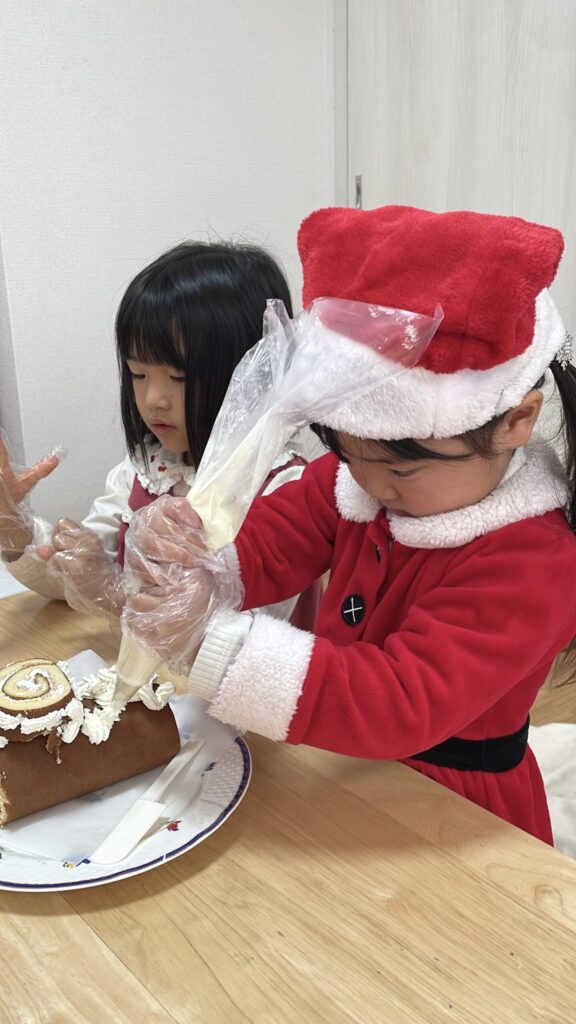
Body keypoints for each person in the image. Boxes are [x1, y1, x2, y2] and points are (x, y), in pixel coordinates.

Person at [123, 205, 576, 845]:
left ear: (516, 422)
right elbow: (273, 541)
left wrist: (213, 645)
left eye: (399, 468)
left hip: (457, 806)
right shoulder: (361, 481)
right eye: (347, 453)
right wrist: (199, 562)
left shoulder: (536, 561)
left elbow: (401, 699)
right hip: (339, 764)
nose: (369, 485)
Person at [0, 241, 322, 625]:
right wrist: (15, 531)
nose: (153, 399)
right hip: (137, 663)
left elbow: (246, 638)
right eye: (138, 374)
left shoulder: (287, 490)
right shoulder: (149, 469)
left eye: (178, 378)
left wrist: (117, 594)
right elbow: (76, 579)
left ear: (253, 373)